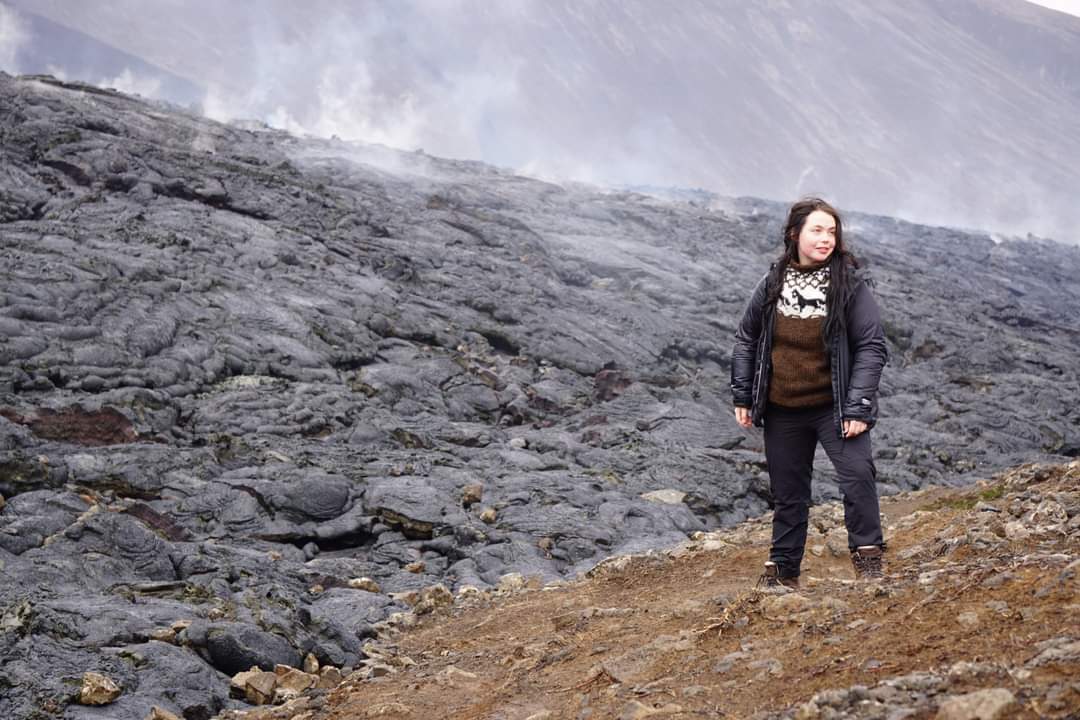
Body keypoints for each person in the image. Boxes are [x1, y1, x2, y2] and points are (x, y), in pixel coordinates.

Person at [729, 197, 889, 588]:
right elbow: (747, 338)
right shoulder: (772, 283)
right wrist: (743, 394)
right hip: (783, 408)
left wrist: (858, 406)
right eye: (817, 230)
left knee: (857, 478)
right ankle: (783, 571)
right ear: (794, 234)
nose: (826, 239)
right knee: (788, 492)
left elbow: (872, 346)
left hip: (834, 408)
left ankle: (869, 561)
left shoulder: (850, 285)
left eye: (831, 231)